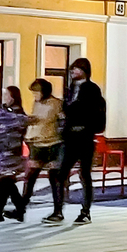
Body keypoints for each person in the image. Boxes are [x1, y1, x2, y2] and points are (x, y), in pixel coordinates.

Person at [49, 57, 106, 225]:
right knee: (60, 173)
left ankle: (85, 211)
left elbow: (88, 111)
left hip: (85, 137)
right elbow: (67, 110)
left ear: (84, 70)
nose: (72, 72)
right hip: (69, 137)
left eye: (75, 69)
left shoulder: (91, 89)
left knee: (84, 174)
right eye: (71, 69)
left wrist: (74, 111)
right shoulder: (70, 89)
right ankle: (58, 211)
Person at [0, 85, 31, 222]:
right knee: (6, 183)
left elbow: (13, 129)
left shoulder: (15, 114)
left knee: (5, 182)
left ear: (13, 97)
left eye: (7, 95)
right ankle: (15, 210)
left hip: (9, 153)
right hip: (3, 152)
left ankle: (6, 211)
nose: (4, 98)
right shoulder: (7, 112)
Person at [24, 78, 63, 216]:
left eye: (37, 92)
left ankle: (57, 211)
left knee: (54, 178)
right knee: (30, 176)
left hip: (52, 144)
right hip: (37, 143)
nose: (35, 96)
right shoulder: (36, 103)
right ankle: (21, 207)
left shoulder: (57, 104)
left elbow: (60, 121)